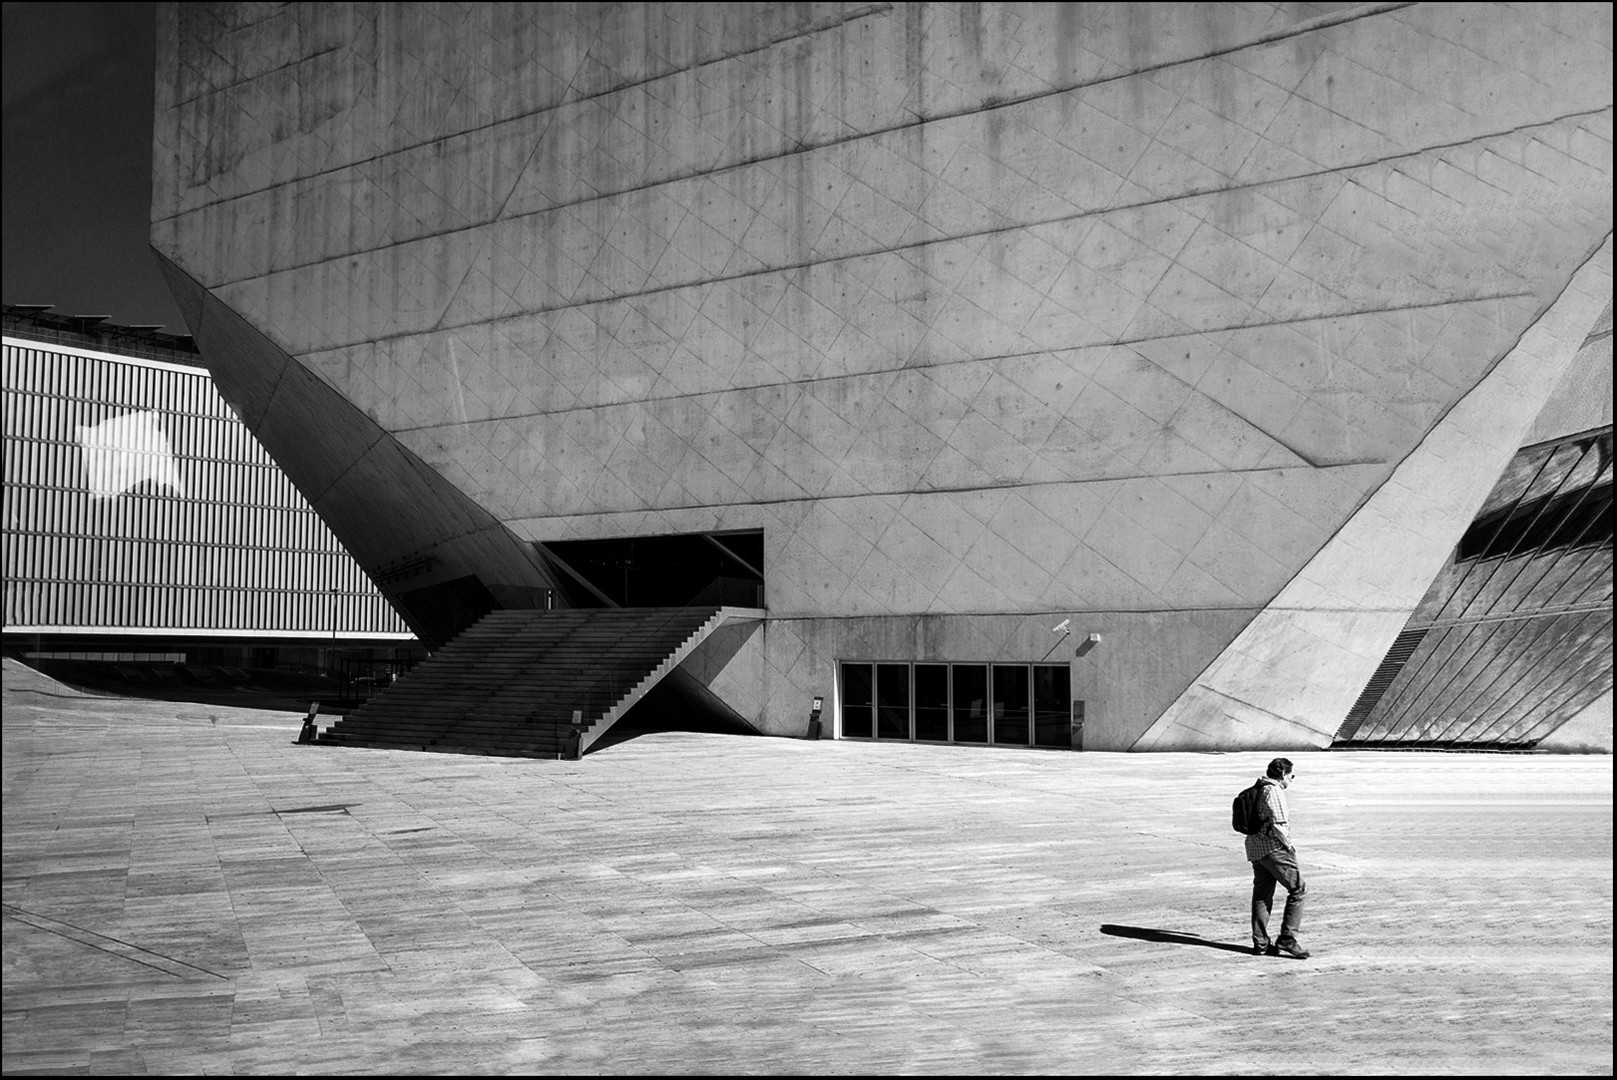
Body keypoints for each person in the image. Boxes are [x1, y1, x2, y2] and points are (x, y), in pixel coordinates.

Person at [1247, 757, 1309, 958]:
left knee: (1262, 895)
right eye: (1291, 776)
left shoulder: (1259, 786)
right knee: (1298, 889)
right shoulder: (1273, 791)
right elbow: (1279, 823)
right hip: (1274, 849)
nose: (1292, 779)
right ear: (1283, 774)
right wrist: (1289, 847)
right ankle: (1288, 939)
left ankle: (1261, 944)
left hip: (1256, 849)